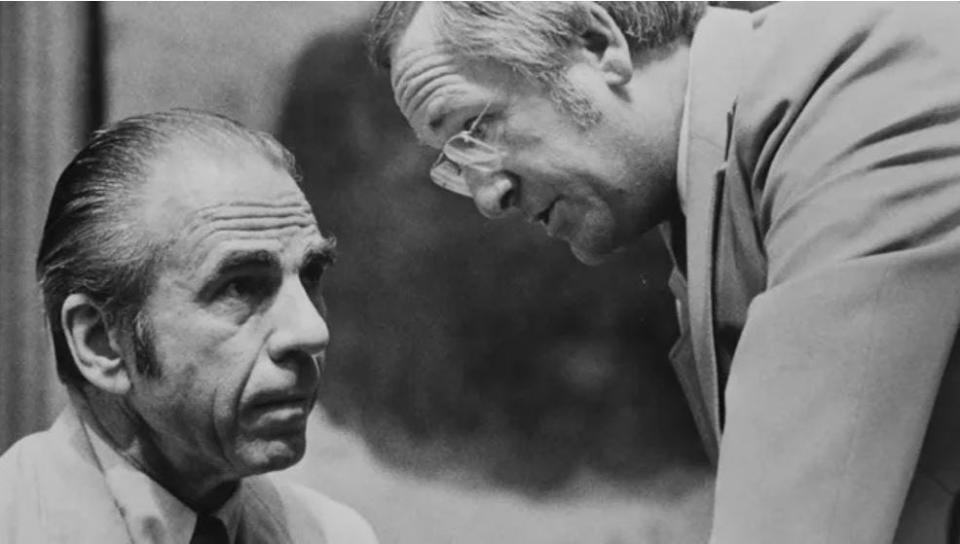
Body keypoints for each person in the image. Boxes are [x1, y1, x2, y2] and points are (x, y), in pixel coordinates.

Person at [369, 2, 960, 542]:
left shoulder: (858, 79)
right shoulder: (733, 162)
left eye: (476, 130)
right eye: (454, 163)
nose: (486, 197)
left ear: (599, 46)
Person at [0, 109, 379, 544]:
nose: (312, 331)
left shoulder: (335, 535)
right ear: (100, 342)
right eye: (240, 286)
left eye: (311, 276)